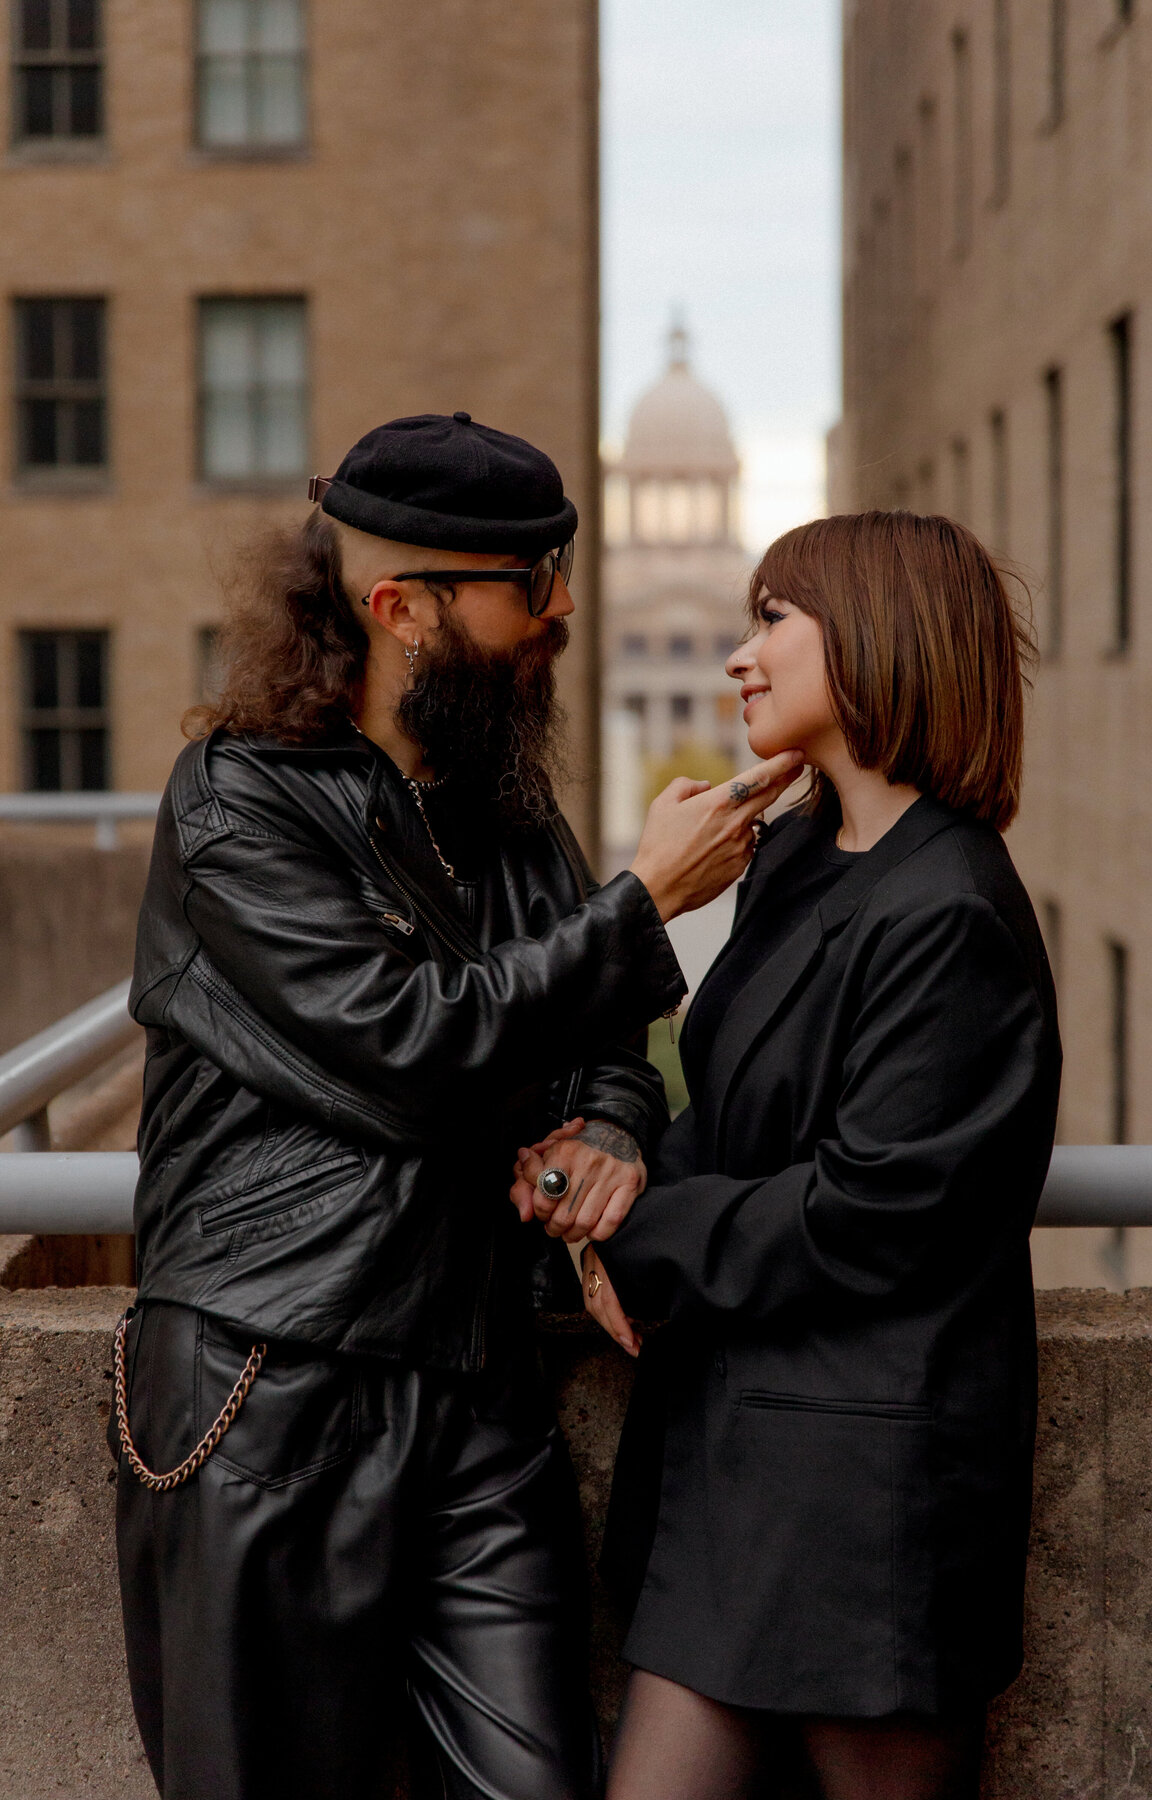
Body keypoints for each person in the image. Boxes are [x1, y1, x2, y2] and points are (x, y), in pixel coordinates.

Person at [113, 410, 802, 1800]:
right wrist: (647, 899)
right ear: (400, 608)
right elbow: (410, 1044)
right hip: (272, 1385)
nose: (558, 619)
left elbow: (603, 1032)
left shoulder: (504, 809)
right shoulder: (240, 805)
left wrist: (607, 1131)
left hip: (478, 1391)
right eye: (527, 590)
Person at [515, 510, 1062, 1800]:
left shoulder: (954, 908)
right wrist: (601, 1183)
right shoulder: (805, 859)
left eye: (773, 622)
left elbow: (877, 1208)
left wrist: (632, 1236)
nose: (738, 660)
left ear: (874, 635)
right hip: (734, 1473)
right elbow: (741, 1114)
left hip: (867, 1509)